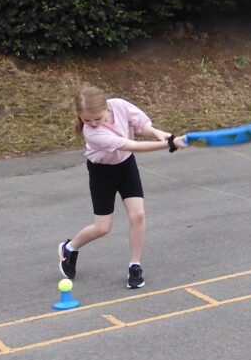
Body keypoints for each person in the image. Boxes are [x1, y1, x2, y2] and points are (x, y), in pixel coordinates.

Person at [59, 86, 187, 289]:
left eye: (97, 118)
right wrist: (169, 143)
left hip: (126, 165)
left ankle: (135, 265)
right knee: (102, 228)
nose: (93, 123)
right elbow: (131, 145)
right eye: (87, 120)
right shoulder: (92, 133)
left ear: (106, 107)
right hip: (102, 173)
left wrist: (161, 134)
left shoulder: (119, 106)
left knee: (138, 215)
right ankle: (70, 248)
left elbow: (142, 127)